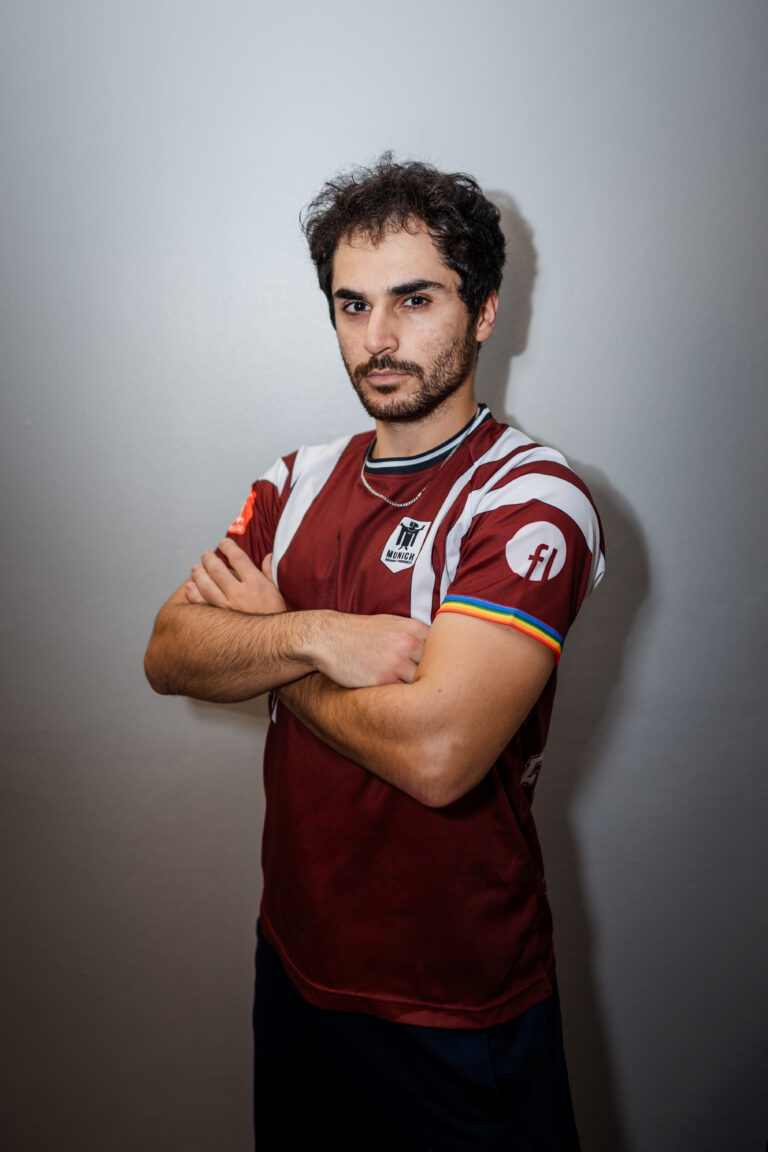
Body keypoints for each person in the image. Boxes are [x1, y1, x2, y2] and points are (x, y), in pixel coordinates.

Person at [144, 156, 605, 1150]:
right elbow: (170, 650)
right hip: (294, 965)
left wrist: (273, 645)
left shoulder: (530, 497)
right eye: (352, 305)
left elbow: (438, 757)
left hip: (456, 1004)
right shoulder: (296, 479)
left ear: (484, 311)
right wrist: (315, 631)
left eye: (415, 299)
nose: (378, 338)